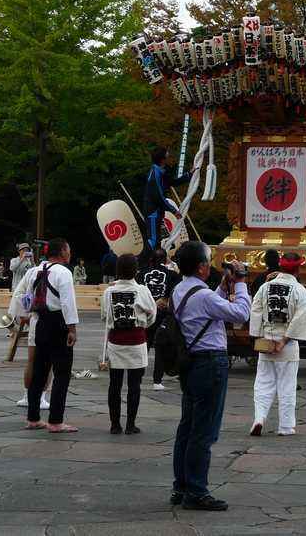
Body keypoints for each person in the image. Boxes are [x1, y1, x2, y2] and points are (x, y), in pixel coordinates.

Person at [170, 241, 250, 512]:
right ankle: (197, 491)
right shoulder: (203, 296)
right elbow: (241, 313)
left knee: (187, 427)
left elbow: (207, 306)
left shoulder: (181, 290)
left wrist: (223, 286)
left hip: (191, 363)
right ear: (202, 267)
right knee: (204, 431)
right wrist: (240, 283)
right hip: (210, 363)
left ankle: (181, 485)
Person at [249, 252, 306, 437]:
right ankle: (285, 426)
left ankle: (259, 418)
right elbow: (299, 319)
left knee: (263, 384)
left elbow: (256, 310)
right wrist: (283, 341)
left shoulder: (265, 287)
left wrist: (259, 336)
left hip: (266, 342)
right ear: (298, 268)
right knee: (287, 386)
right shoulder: (300, 290)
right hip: (288, 345)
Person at [21, 238, 78, 433]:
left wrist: (29, 315)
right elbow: (67, 303)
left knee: (39, 370)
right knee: (62, 373)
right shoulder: (64, 272)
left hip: (40, 322)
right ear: (62, 251)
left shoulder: (34, 271)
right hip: (58, 323)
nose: (69, 253)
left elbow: (26, 297)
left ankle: (33, 417)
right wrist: (72, 329)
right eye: (68, 249)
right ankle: (55, 420)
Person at [102, 253, 156, 434]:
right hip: (136, 340)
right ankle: (130, 424)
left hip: (116, 340)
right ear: (136, 270)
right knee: (135, 385)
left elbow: (105, 316)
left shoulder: (109, 291)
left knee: (114, 384)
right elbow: (152, 314)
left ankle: (114, 424)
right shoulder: (142, 290)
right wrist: (143, 325)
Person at [7, 265, 51, 412]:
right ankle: (41, 397)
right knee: (48, 361)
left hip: (33, 318)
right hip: (50, 319)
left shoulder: (32, 271)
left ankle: (27, 396)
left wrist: (22, 314)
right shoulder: (62, 271)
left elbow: (19, 293)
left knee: (32, 359)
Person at [137, 248, 179, 390]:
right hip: (162, 314)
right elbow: (175, 292)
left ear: (151, 259)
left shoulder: (141, 273)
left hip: (145, 313)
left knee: (144, 345)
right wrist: (165, 298)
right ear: (165, 260)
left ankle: (138, 376)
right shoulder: (172, 275)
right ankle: (157, 381)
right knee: (161, 347)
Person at [143, 146, 189, 250]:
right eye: (167, 155)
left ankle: (156, 264)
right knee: (153, 240)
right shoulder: (155, 174)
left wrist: (189, 175)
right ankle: (144, 263)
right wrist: (173, 210)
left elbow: (173, 182)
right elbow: (158, 196)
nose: (169, 156)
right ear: (162, 159)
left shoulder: (161, 171)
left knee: (157, 240)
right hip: (152, 212)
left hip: (157, 211)